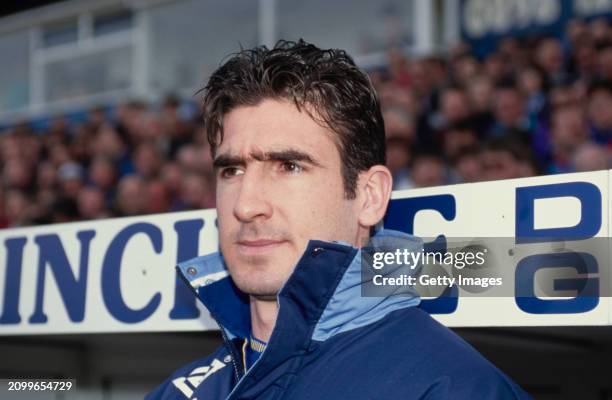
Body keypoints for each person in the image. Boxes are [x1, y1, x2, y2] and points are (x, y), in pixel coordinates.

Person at [146, 40, 531, 400]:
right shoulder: (179, 392)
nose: (246, 206)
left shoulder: (452, 389)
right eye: (231, 170)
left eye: (289, 166)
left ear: (369, 196)